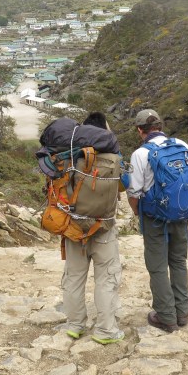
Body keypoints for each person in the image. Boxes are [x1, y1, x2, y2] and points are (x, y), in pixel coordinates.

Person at [60, 112, 125, 345]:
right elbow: (123, 186)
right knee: (106, 278)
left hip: (73, 228)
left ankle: (75, 325)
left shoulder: (69, 153)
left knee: (74, 277)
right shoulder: (114, 155)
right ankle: (106, 330)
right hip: (103, 227)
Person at [127, 109, 188, 333]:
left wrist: (137, 213)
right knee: (178, 261)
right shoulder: (182, 145)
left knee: (157, 266)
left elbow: (134, 192)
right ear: (160, 127)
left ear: (140, 130)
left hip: (154, 217)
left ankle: (166, 317)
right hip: (181, 212)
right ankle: (182, 312)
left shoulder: (140, 154)